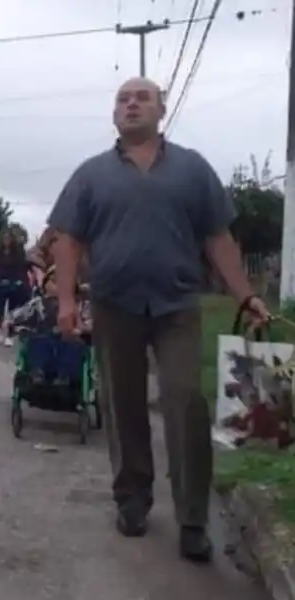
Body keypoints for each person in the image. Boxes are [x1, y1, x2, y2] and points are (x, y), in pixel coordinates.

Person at [48, 76, 271, 562]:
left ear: (161, 110)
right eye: (123, 99)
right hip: (114, 305)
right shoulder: (91, 175)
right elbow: (67, 240)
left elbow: (218, 239)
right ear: (113, 115)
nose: (131, 105)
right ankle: (132, 500)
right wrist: (65, 301)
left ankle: (193, 518)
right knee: (122, 404)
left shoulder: (192, 170)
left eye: (142, 97)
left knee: (187, 402)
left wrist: (246, 295)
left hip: (177, 307)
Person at [0, 230, 29, 347]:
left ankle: (9, 334)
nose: (6, 240)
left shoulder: (18, 252)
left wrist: (23, 282)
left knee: (13, 310)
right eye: (4, 238)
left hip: (14, 283)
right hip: (0, 283)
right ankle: (2, 329)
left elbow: (23, 268)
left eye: (8, 238)